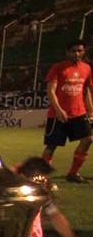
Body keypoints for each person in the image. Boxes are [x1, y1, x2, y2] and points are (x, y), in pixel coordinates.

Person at [41, 40, 93, 183]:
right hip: (58, 114)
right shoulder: (58, 68)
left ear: (84, 52)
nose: (76, 53)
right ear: (67, 52)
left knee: (88, 139)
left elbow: (86, 90)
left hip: (79, 112)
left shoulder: (87, 68)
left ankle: (73, 173)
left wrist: (91, 110)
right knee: (52, 146)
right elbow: (51, 91)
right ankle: (41, 176)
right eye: (73, 51)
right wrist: (58, 110)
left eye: (79, 50)